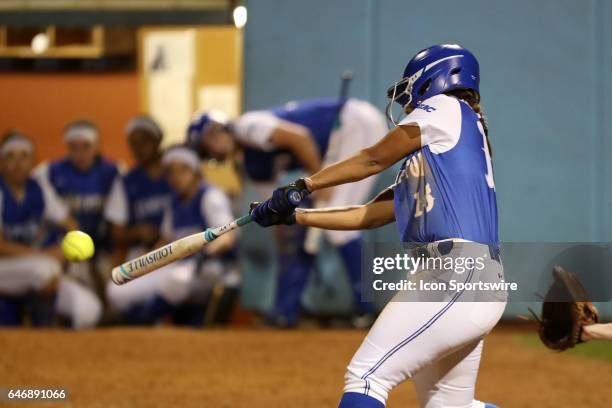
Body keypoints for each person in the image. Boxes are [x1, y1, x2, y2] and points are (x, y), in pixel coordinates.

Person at [250, 44, 504, 408]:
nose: (405, 106)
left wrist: (303, 185)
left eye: (409, 93)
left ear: (432, 81)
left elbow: (372, 159)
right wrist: (294, 214)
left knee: (367, 377)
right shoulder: (443, 148)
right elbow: (368, 215)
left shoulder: (447, 108)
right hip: (464, 277)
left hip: (455, 275)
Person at [188, 96, 387, 327]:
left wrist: (319, 182)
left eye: (210, 140)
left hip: (352, 122)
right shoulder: (252, 165)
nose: (214, 149)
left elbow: (300, 138)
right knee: (303, 231)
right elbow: (276, 211)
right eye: (206, 149)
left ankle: (367, 311)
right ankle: (287, 312)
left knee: (340, 230)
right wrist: (284, 232)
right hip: (343, 137)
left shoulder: (246, 126)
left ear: (219, 129)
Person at [106, 146, 238, 325]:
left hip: (213, 267)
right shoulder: (174, 201)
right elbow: (166, 240)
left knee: (178, 280)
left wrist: (206, 253)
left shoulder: (210, 196)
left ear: (195, 172)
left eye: (183, 170)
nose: (176, 177)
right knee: (117, 291)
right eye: (171, 172)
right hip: (182, 264)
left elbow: (227, 237)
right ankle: (143, 323)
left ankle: (140, 323)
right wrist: (146, 261)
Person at [0, 131, 102, 329]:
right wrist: (45, 254)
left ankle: (57, 349)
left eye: (24, 156)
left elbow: (71, 224)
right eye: (10, 157)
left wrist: (67, 251)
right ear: (1, 162)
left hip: (36, 268)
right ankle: (42, 329)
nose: (18, 163)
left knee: (89, 310)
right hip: (7, 268)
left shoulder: (38, 188)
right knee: (45, 270)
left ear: (32, 161)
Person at [35, 119, 119, 293]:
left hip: (102, 243)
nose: (80, 153)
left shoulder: (114, 172)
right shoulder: (48, 171)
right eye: (73, 147)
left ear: (96, 146)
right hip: (64, 245)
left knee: (112, 280)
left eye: (86, 146)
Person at [104, 116, 171, 268]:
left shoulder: (175, 173)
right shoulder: (126, 182)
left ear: (157, 140)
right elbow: (116, 233)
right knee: (117, 291)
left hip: (179, 246)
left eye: (144, 141)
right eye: (133, 143)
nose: (139, 148)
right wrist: (137, 232)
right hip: (143, 252)